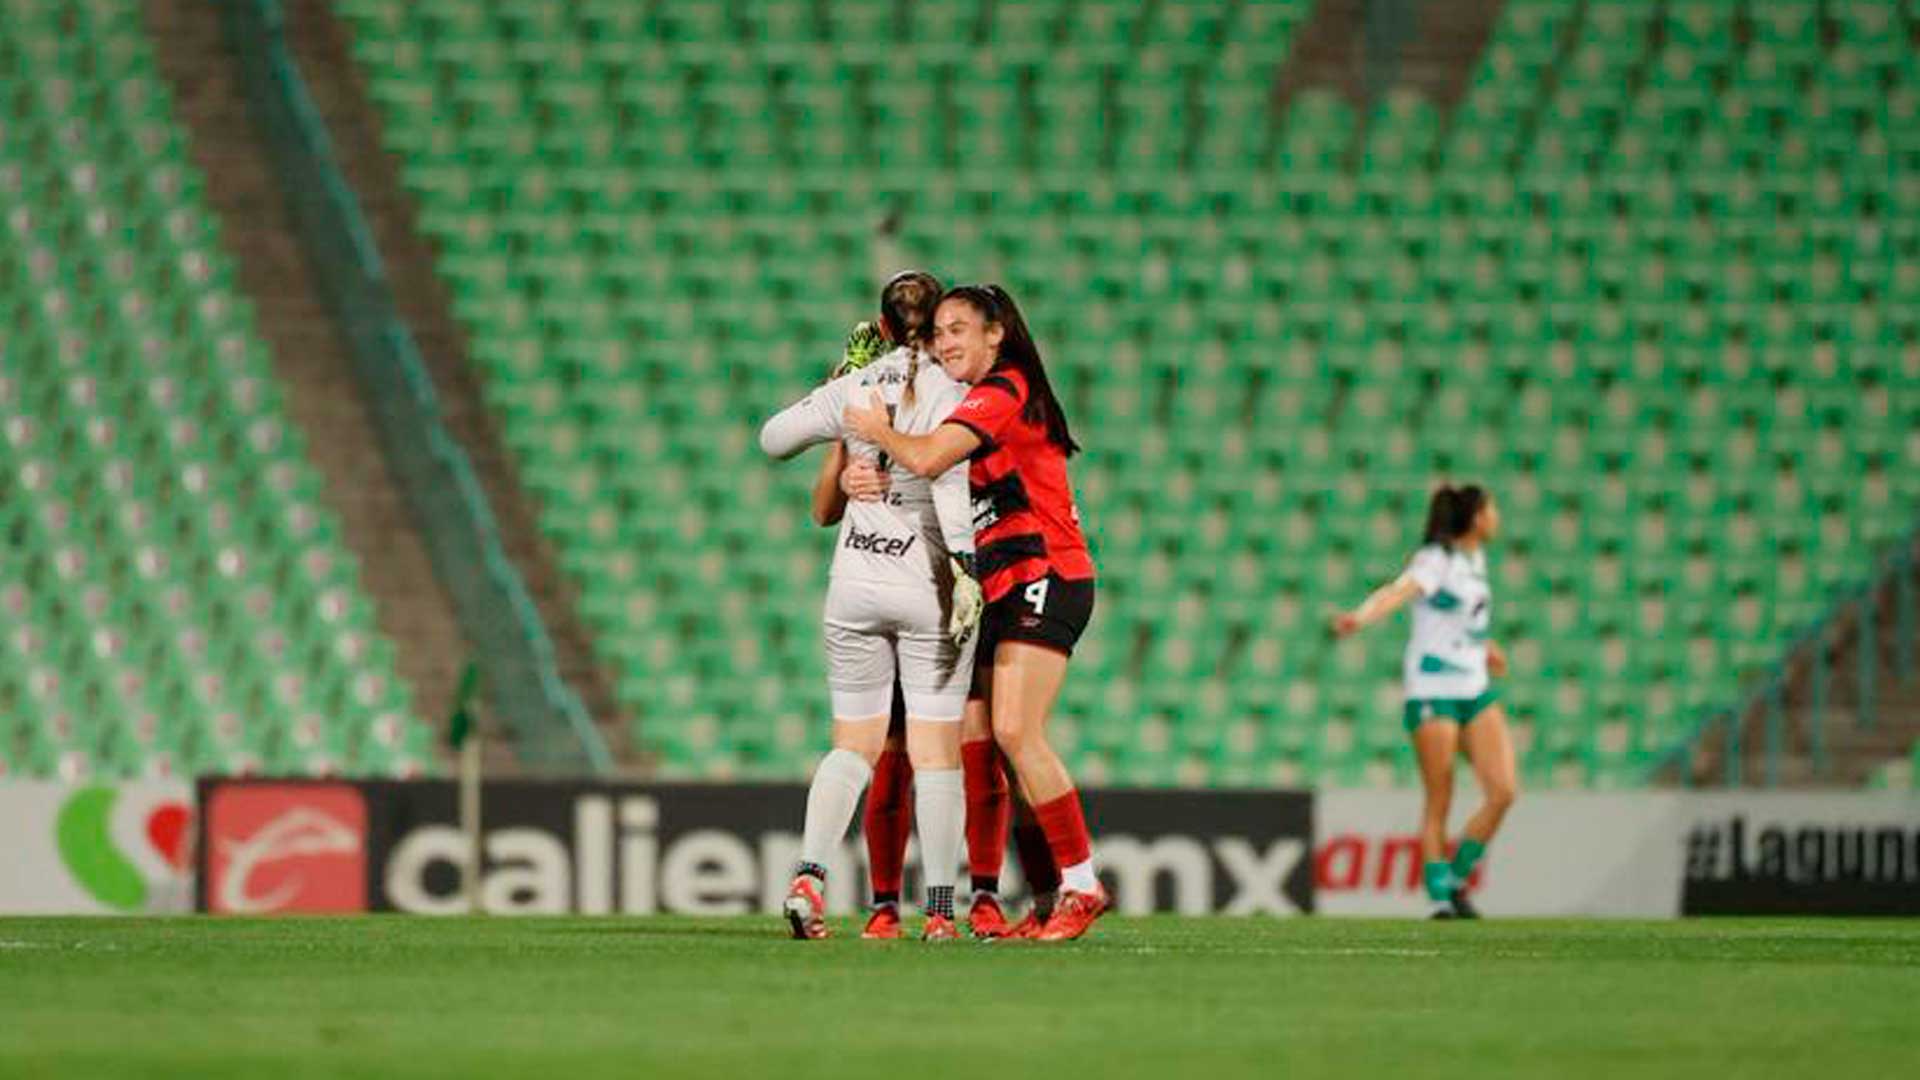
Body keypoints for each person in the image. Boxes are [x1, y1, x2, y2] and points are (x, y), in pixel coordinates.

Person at [844, 284, 1106, 942]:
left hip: (1045, 572)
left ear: (998, 334)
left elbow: (930, 456)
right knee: (990, 746)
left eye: (960, 328)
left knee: (1018, 733)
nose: (946, 340)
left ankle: (1083, 885)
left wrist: (873, 427)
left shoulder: (1006, 388)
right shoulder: (963, 396)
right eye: (938, 332)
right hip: (1000, 585)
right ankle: (1047, 902)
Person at [758, 271, 983, 941]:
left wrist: (835, 392)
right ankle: (940, 912)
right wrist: (966, 566)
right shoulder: (956, 391)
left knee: (854, 744)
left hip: (855, 580)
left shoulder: (855, 387)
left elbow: (772, 438)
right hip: (928, 582)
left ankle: (809, 877)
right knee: (936, 750)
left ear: (882, 327)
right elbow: (948, 486)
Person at [1330, 485, 1519, 918]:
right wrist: (1360, 617)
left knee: (1503, 790)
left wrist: (1485, 647)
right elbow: (1399, 592)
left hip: (1473, 687)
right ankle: (1439, 898)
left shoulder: (1474, 562)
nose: (1496, 517)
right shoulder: (1437, 559)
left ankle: (1454, 878)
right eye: (1491, 509)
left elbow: (1458, 619)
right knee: (1441, 795)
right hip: (1434, 689)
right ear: (1475, 518)